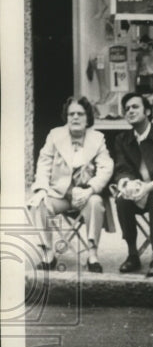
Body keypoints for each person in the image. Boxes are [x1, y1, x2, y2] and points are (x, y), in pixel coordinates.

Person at [28, 95, 113, 272]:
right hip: (60, 195)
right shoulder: (55, 135)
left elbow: (106, 167)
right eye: (71, 114)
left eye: (80, 114)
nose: (75, 117)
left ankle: (92, 255)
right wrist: (42, 189)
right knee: (39, 203)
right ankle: (49, 254)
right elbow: (43, 163)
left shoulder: (97, 139)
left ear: (87, 117)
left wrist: (91, 189)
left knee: (96, 203)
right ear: (66, 117)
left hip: (85, 196)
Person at [112, 92, 153, 275]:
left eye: (135, 107)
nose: (130, 111)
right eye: (127, 108)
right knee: (121, 199)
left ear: (148, 111)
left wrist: (149, 186)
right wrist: (126, 183)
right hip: (136, 193)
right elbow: (121, 168)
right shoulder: (123, 140)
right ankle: (132, 254)